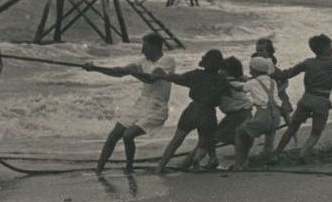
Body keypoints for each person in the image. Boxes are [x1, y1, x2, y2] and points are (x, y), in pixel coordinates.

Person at [83, 33, 176, 174]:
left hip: (157, 108)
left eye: (145, 47)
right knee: (114, 134)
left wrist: (132, 72)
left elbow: (152, 78)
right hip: (141, 103)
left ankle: (129, 168)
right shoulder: (141, 61)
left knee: (128, 135)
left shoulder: (167, 60)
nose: (142, 51)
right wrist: (95, 68)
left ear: (155, 47)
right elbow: (119, 72)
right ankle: (98, 170)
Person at [154, 49, 227, 173]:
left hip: (193, 110)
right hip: (208, 113)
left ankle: (160, 166)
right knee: (204, 142)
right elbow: (229, 91)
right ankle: (196, 162)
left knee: (176, 140)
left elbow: (178, 78)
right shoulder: (221, 80)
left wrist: (161, 76)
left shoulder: (196, 75)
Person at [273, 34, 332, 158]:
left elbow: (287, 73)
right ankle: (303, 152)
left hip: (306, 99)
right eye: (330, 47)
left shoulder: (308, 63)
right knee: (316, 132)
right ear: (326, 49)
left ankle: (277, 152)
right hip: (321, 100)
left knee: (292, 127)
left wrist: (271, 72)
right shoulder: (331, 61)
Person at [232, 57, 281, 169]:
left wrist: (228, 82)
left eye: (250, 68)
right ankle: (269, 156)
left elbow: (241, 88)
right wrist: (247, 80)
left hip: (263, 115)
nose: (249, 70)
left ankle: (239, 163)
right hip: (276, 114)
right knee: (269, 136)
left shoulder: (252, 82)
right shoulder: (273, 81)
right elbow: (259, 85)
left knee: (240, 132)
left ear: (254, 70)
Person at [214, 56, 253, 148]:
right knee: (221, 136)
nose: (219, 71)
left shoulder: (230, 83)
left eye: (222, 69)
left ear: (229, 71)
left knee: (216, 137)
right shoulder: (232, 81)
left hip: (239, 115)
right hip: (239, 114)